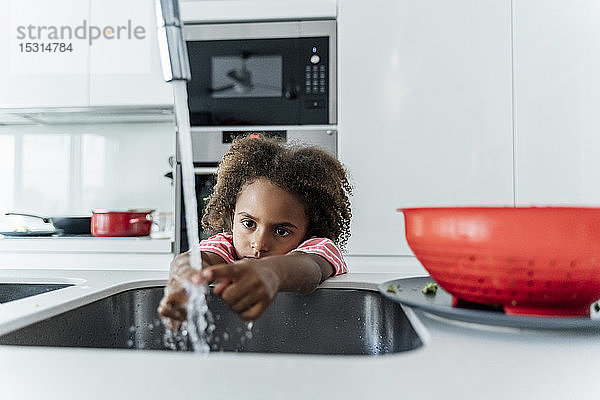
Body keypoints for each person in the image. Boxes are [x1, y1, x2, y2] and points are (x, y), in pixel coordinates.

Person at [158, 136, 352, 328]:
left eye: (281, 231)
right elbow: (196, 259)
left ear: (309, 230)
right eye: (249, 223)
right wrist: (185, 279)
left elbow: (310, 268)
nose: (259, 245)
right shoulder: (226, 246)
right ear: (233, 217)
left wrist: (272, 272)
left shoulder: (319, 248)